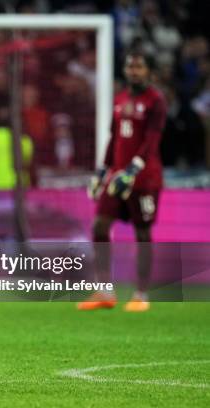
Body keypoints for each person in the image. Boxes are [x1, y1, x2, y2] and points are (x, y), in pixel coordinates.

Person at [80, 50, 167, 312]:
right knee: (99, 226)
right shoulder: (119, 99)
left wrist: (133, 170)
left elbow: (152, 141)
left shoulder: (156, 101)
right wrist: (102, 171)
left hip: (144, 179)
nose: (133, 71)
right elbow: (113, 139)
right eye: (130, 67)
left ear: (149, 71)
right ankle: (105, 290)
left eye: (139, 67)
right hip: (117, 177)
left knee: (142, 233)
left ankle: (141, 294)